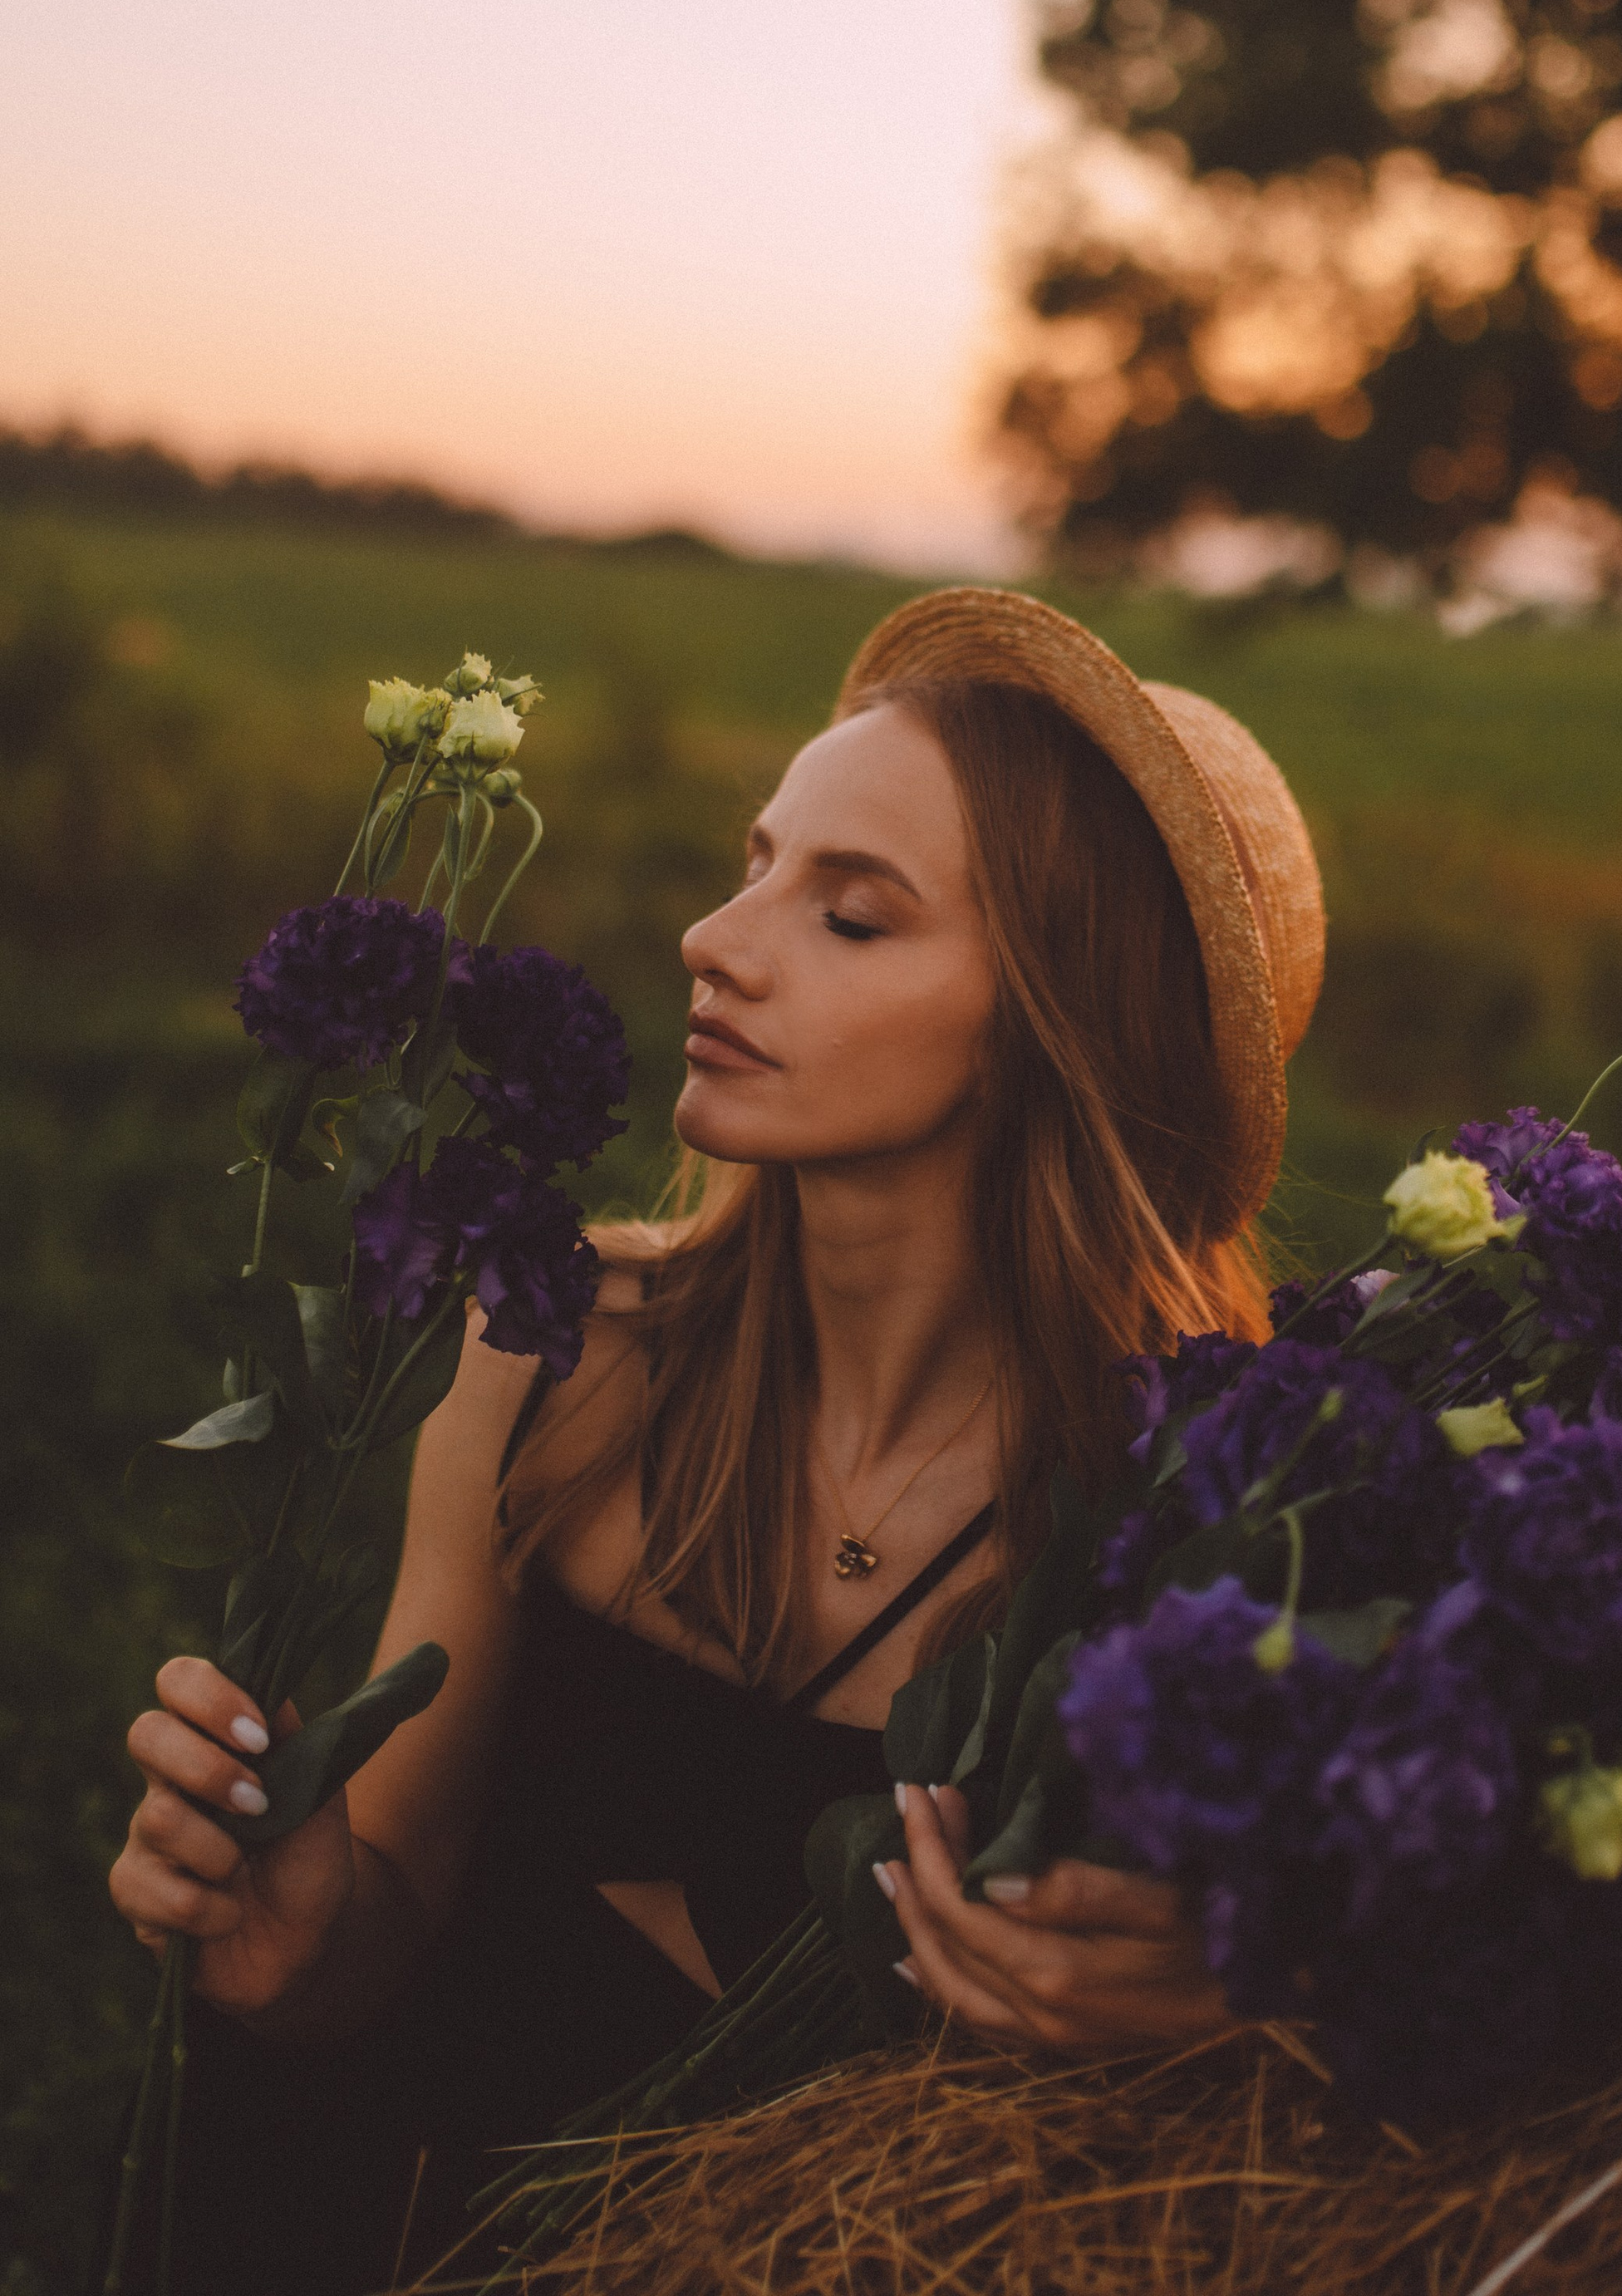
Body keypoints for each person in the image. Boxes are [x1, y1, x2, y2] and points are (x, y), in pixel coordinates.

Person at [107, 588, 1326, 2290]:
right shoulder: (561, 1350)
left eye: (850, 916)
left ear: (1062, 1027)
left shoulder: (1189, 1515)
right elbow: (388, 1913)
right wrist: (295, 1936)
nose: (713, 937)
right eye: (754, 864)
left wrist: (1237, 1995)